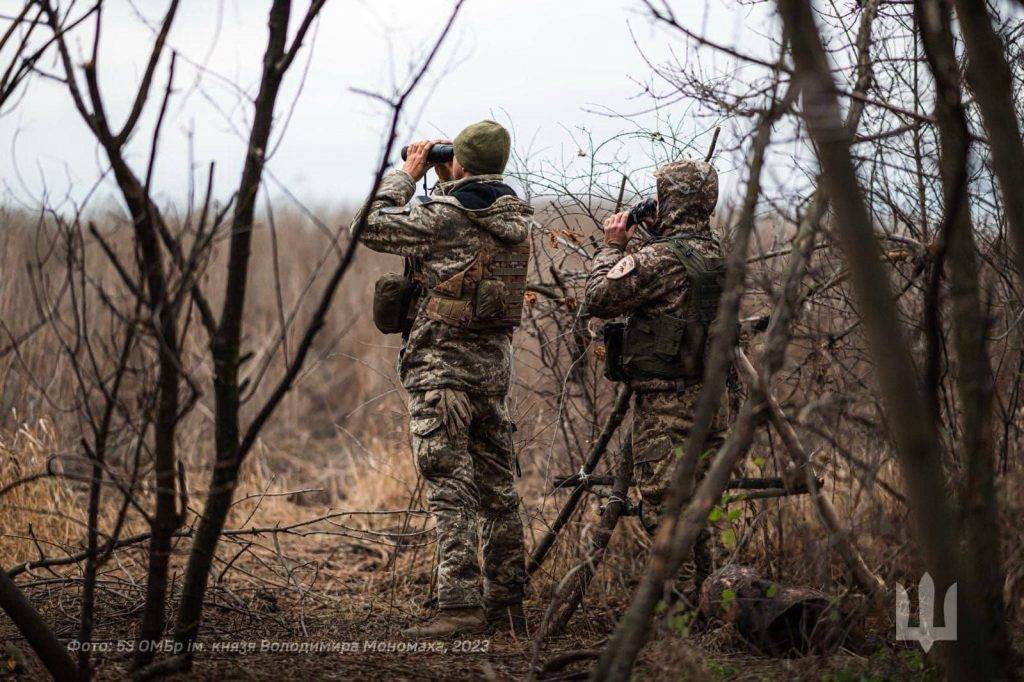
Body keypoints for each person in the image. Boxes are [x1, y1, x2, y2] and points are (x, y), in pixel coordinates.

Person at [351, 120, 532, 637]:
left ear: (460, 161)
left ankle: (459, 608)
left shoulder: (445, 217)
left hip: (441, 376)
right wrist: (447, 176)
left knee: (451, 491)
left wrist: (409, 174)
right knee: (499, 490)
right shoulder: (515, 218)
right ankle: (508, 604)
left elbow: (366, 226)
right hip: (491, 376)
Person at [584, 159, 731, 600]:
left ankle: (679, 617)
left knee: (665, 510)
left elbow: (599, 297)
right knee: (700, 508)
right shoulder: (720, 255)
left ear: (670, 200)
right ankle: (711, 606)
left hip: (665, 405)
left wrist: (613, 246)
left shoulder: (660, 259)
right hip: (712, 401)